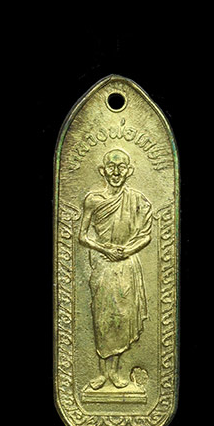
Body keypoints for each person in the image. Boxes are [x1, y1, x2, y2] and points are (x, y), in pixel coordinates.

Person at [79, 148, 152, 389]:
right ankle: (102, 372)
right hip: (102, 264)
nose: (116, 172)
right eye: (111, 166)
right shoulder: (93, 200)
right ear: (103, 170)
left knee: (123, 318)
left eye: (122, 167)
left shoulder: (138, 200)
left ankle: (116, 372)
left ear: (129, 171)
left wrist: (127, 251)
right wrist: (104, 249)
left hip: (127, 265)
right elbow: (82, 236)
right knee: (102, 318)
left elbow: (146, 235)